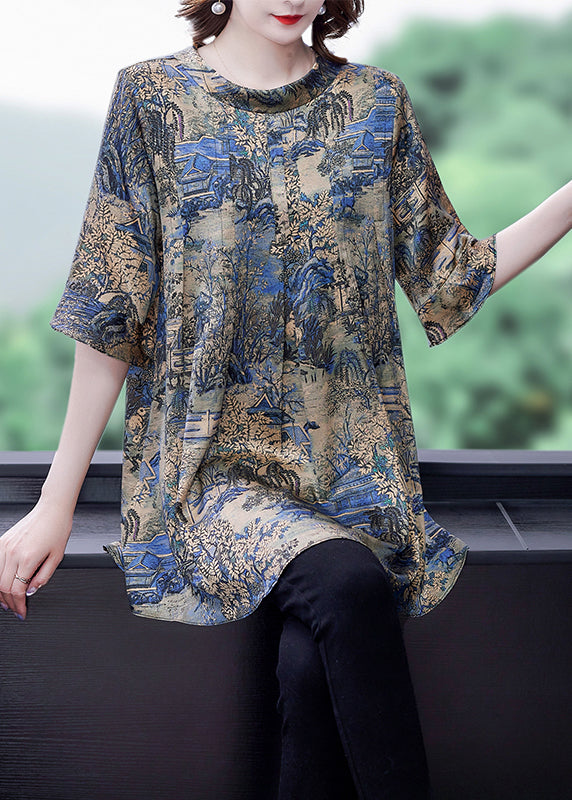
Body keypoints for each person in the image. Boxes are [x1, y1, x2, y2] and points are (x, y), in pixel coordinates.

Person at [1, 1, 571, 797]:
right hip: (210, 473)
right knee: (348, 586)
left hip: (352, 470)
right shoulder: (152, 98)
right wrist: (54, 502)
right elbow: (109, 310)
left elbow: (450, 275)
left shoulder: (377, 103)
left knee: (313, 671)